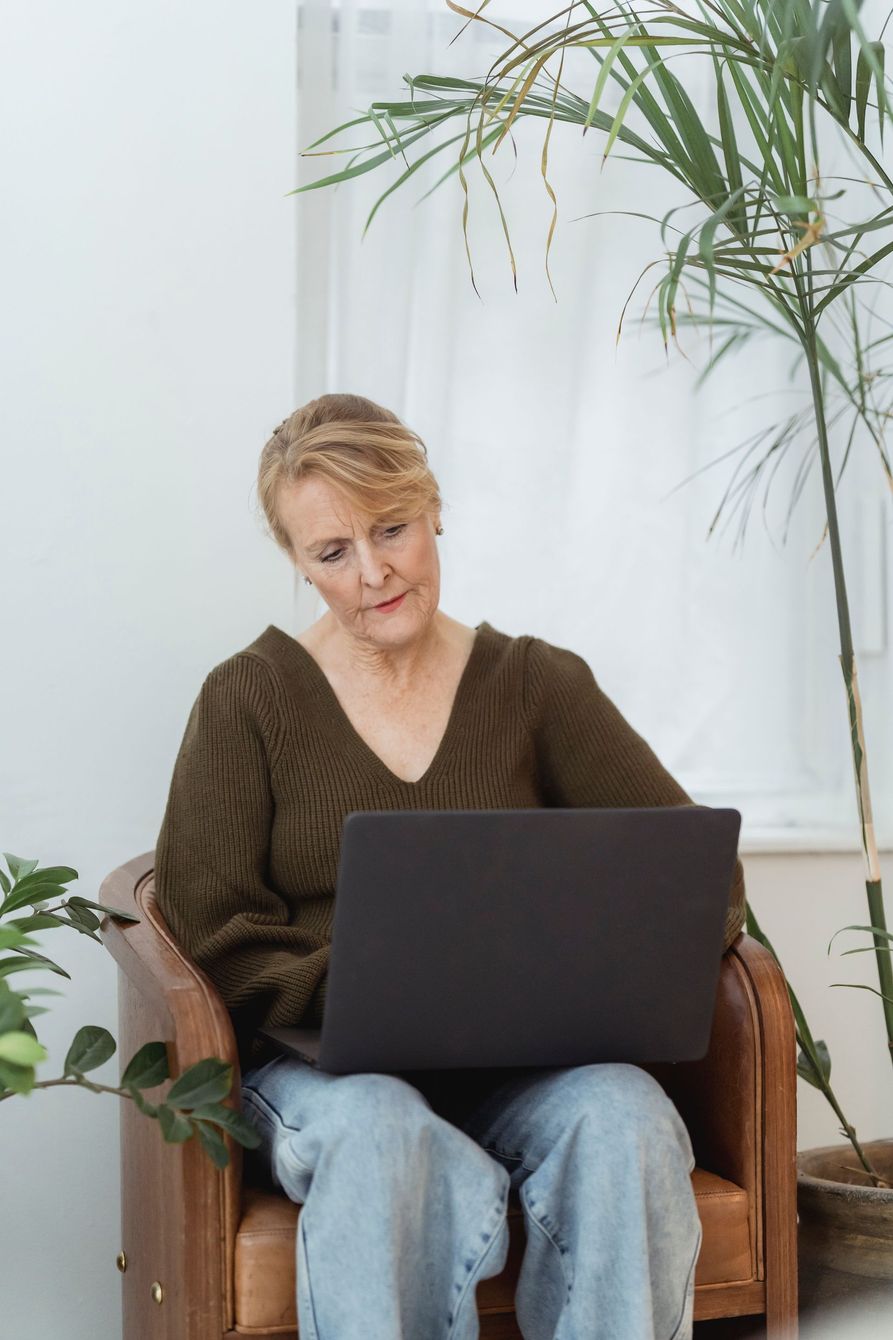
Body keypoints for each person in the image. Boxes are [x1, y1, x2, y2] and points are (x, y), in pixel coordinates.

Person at [154, 391, 747, 1340]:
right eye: (331, 553)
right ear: (297, 562)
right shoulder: (247, 699)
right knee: (380, 1126)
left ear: (433, 509)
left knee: (624, 1112)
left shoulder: (535, 684)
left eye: (392, 529)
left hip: (520, 1065)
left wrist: (563, 964)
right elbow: (210, 931)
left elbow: (692, 876)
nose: (373, 574)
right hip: (326, 1075)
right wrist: (363, 983)